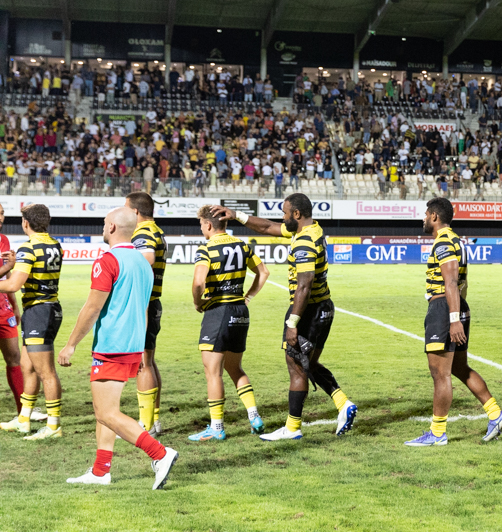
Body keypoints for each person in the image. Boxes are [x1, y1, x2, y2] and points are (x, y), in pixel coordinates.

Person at [218, 194, 357, 440]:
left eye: (285, 213)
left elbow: (304, 285)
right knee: (309, 363)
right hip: (324, 307)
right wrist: (236, 215)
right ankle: (343, 404)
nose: (281, 217)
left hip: (307, 311)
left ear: (296, 215)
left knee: (296, 368)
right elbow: (268, 227)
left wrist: (293, 322)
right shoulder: (312, 229)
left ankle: (292, 428)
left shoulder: (304, 241)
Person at [58, 206, 177, 488]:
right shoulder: (143, 262)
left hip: (112, 344)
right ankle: (101, 471)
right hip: (133, 344)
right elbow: (144, 308)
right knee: (106, 409)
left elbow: (92, 308)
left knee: (106, 413)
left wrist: (70, 345)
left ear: (112, 227)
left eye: (103, 223)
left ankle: (160, 454)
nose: (102, 227)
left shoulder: (108, 260)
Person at [406, 198, 502, 446]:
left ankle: (437, 433)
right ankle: (496, 414)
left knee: (440, 373)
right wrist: (460, 312)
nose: (423, 219)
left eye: (425, 214)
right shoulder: (456, 240)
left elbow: (450, 282)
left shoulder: (443, 242)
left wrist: (453, 319)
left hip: (444, 309)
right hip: (456, 307)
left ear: (434, 217)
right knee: (460, 368)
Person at [188, 205, 269, 441]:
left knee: (213, 372)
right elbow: (263, 273)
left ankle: (217, 427)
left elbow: (198, 283)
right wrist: (249, 296)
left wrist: (197, 302)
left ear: (209, 225)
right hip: (240, 312)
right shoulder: (242, 245)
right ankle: (254, 417)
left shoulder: (207, 249)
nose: (201, 228)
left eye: (201, 224)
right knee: (234, 368)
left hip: (218, 312)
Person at [0, 204, 65, 438]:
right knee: (27, 367)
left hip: (40, 311)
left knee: (45, 371)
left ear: (25, 223)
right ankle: (24, 419)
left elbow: (13, 285)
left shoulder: (29, 247)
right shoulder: (54, 245)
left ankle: (53, 425)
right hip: (42, 310)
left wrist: (19, 263)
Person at [127, 192, 166, 435]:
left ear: (135, 212)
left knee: (142, 364)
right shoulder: (158, 230)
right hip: (153, 301)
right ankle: (155, 419)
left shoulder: (143, 232)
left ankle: (146, 424)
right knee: (148, 362)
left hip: (144, 303)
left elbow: (147, 257)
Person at [0, 205, 24, 415]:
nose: (0, 217)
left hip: (3, 309)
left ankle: (22, 413)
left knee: (14, 358)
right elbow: (6, 270)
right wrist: (8, 268)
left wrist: (14, 305)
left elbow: (7, 278)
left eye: (1, 212)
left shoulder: (4, 240)